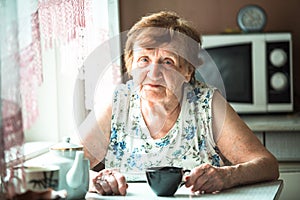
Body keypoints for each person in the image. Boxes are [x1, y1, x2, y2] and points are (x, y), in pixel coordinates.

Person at [81, 11, 279, 196]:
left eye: (167, 62)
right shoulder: (117, 102)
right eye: (143, 60)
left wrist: (226, 176)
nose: (153, 73)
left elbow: (267, 165)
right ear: (130, 65)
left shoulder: (206, 104)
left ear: (187, 71)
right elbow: (69, 165)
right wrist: (95, 180)